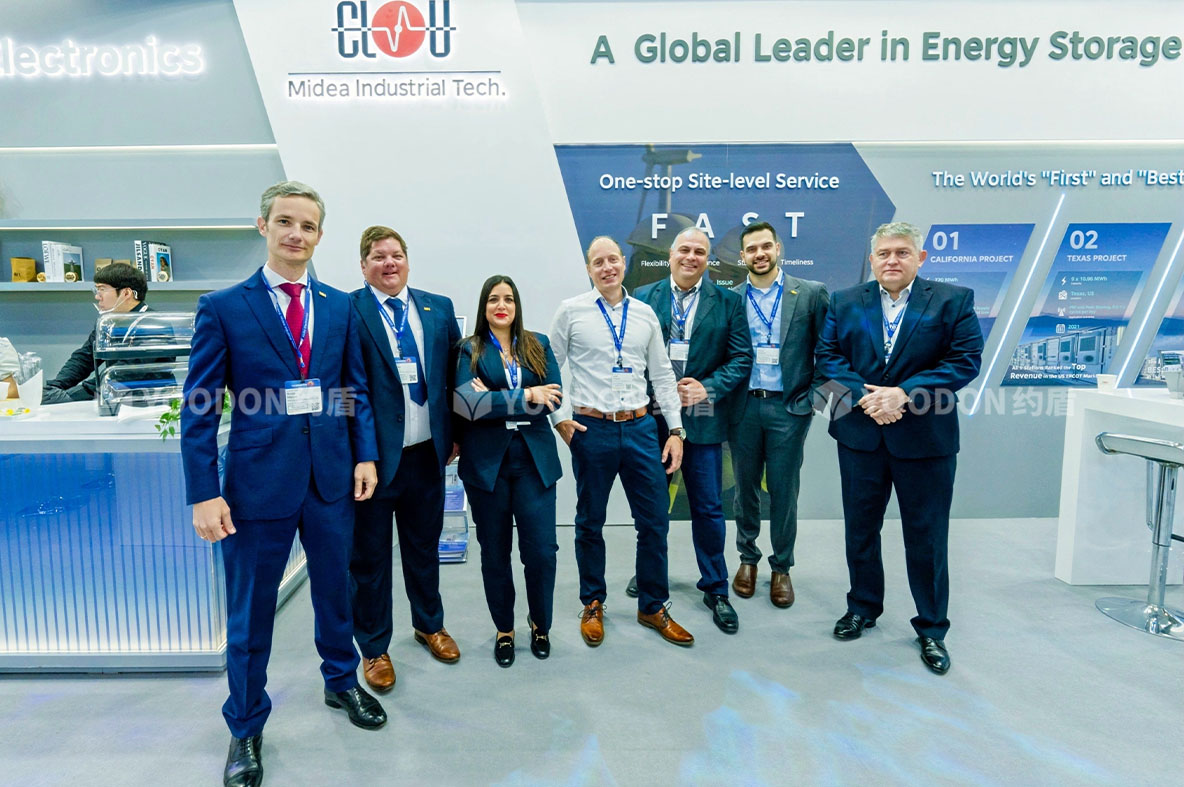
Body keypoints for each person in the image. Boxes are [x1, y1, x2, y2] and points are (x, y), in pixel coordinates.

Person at [181, 180, 385, 787]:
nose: (297, 234)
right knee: (250, 611)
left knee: (336, 593)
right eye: (286, 222)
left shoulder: (340, 306)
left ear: (320, 235)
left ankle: (341, 681)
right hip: (255, 485)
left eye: (308, 226)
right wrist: (203, 491)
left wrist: (364, 456)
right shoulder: (224, 306)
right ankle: (245, 725)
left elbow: (352, 388)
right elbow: (199, 404)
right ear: (263, 226)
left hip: (330, 478)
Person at [815, 220, 983, 675]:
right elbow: (828, 358)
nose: (892, 260)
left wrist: (904, 394)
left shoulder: (953, 300)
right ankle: (862, 607)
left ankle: (932, 627)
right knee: (860, 530)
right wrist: (869, 399)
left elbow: (964, 361)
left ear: (920, 258)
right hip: (860, 435)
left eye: (902, 253)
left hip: (926, 440)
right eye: (884, 253)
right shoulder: (845, 301)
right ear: (872, 260)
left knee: (927, 537)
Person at [549, 235, 693, 647]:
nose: (607, 267)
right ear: (589, 269)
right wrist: (560, 419)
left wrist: (676, 431)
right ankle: (593, 602)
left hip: (640, 428)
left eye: (613, 259)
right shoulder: (571, 311)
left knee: (654, 522)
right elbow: (549, 367)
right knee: (590, 521)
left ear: (623, 264)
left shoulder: (645, 314)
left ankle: (652, 606)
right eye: (598, 262)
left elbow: (662, 376)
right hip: (591, 429)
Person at [349, 225, 462, 690]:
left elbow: (456, 376)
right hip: (374, 464)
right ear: (363, 266)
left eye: (396, 255)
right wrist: (363, 454)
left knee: (423, 548)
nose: (389, 263)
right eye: (378, 256)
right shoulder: (349, 310)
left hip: (426, 456)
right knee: (369, 560)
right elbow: (348, 389)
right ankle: (374, 648)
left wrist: (457, 435)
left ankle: (429, 625)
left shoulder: (439, 308)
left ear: (408, 261)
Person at [629, 228, 753, 633]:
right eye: (684, 249)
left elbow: (741, 358)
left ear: (707, 260)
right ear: (670, 255)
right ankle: (650, 576)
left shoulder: (728, 302)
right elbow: (630, 354)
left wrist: (708, 387)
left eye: (700, 251)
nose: (691, 257)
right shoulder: (643, 298)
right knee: (651, 509)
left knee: (709, 508)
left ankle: (716, 588)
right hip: (652, 419)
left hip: (703, 416)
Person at [453, 275, 563, 667]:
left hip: (534, 462)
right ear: (483, 306)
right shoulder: (469, 349)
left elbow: (553, 398)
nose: (502, 306)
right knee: (495, 553)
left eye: (509, 299)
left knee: (541, 552)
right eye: (493, 299)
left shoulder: (538, 344)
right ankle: (504, 629)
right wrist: (526, 394)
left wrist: (495, 399)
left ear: (517, 306)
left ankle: (540, 623)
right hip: (488, 466)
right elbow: (466, 405)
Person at [729, 221, 829, 608]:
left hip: (789, 408)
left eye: (766, 246)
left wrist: (815, 402)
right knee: (745, 489)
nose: (760, 254)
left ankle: (782, 566)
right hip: (744, 407)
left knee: (784, 491)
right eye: (752, 249)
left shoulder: (811, 293)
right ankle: (747, 558)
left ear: (778, 249)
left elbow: (830, 351)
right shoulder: (732, 299)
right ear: (743, 256)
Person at [42, 263, 151, 404]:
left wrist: (70, 395)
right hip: (112, 400)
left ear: (126, 293)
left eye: (102, 289)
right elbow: (84, 357)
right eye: (97, 289)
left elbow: (126, 373)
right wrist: (56, 386)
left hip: (147, 403)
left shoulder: (152, 325)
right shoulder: (108, 323)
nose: (97, 296)